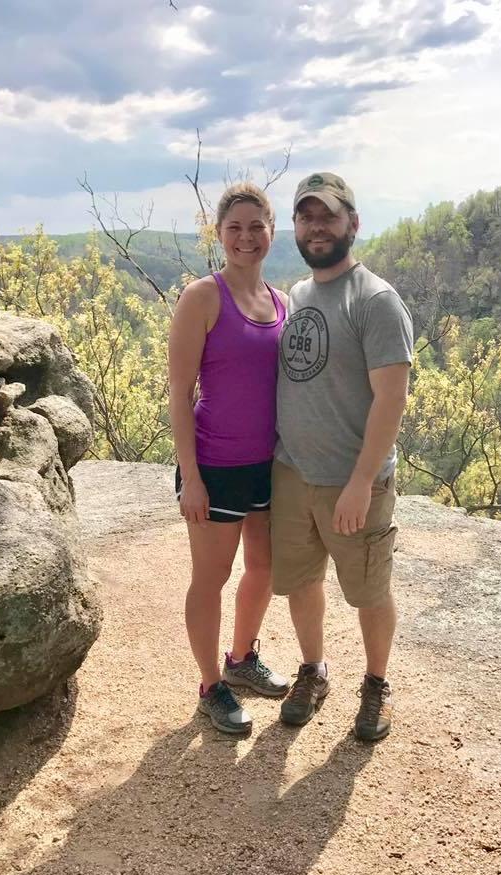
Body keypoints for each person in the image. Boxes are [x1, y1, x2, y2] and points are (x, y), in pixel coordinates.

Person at [271, 172, 414, 742]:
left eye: (327, 216)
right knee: (302, 582)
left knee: (369, 591)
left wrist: (360, 482)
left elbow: (392, 398)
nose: (316, 226)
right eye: (306, 217)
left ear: (352, 222)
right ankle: (314, 670)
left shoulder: (375, 300)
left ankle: (376, 684)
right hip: (292, 474)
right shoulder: (297, 296)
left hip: (353, 482)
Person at [167, 182, 291, 735]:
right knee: (211, 577)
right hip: (214, 465)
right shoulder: (202, 296)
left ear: (271, 231)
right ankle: (209, 685)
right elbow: (178, 391)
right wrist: (190, 478)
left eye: (256, 226)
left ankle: (241, 661)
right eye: (235, 227)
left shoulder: (282, 302)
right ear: (219, 234)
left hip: (267, 466)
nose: (246, 237)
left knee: (263, 568)